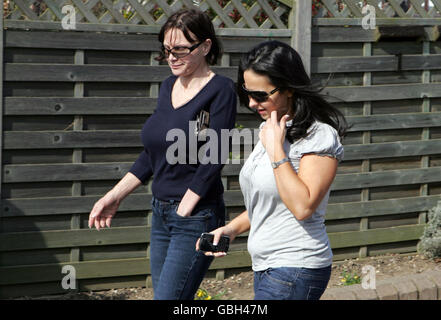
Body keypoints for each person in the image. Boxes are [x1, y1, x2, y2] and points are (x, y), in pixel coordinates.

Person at [88, 8, 237, 300]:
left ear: (205, 46)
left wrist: (185, 208)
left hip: (195, 216)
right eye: (167, 49)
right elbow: (154, 156)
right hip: (160, 212)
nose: (171, 57)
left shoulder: (220, 90)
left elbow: (215, 154)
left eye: (181, 49)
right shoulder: (168, 86)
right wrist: (115, 195)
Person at [197, 40, 348, 300]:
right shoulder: (272, 128)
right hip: (267, 267)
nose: (252, 103)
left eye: (260, 95)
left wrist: (276, 150)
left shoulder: (318, 135)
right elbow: (272, 201)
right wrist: (230, 230)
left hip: (295, 266)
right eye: (247, 94)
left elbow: (302, 206)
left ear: (288, 88)